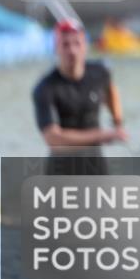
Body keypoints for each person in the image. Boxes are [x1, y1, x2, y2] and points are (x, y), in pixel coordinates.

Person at [32, 19, 128, 175]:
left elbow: (110, 90)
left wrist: (118, 121)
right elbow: (53, 139)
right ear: (56, 48)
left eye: (77, 43)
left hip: (95, 165)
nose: (72, 50)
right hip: (61, 171)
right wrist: (102, 136)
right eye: (65, 45)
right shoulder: (46, 88)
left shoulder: (100, 72)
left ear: (85, 46)